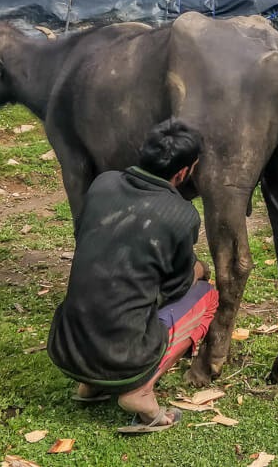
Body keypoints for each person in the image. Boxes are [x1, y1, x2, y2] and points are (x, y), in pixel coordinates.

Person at [47, 119, 218, 435]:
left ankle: (90, 384)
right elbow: (177, 285)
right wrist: (199, 269)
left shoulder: (103, 183)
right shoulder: (182, 215)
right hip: (122, 354)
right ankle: (139, 392)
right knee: (206, 294)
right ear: (183, 173)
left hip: (67, 346)